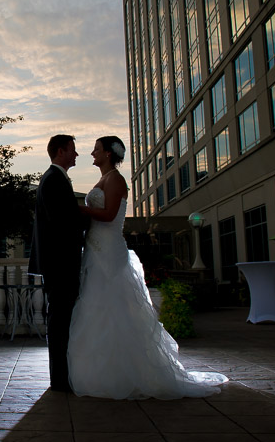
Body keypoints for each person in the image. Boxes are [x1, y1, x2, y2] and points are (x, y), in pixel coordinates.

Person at [67, 136, 228, 399]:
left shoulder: (116, 180)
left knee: (113, 306)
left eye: (96, 149)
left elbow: (108, 215)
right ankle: (104, 370)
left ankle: (126, 372)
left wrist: (80, 211)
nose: (92, 153)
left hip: (109, 250)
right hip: (96, 250)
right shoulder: (103, 180)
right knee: (96, 306)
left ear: (108, 153)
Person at [29, 134, 87, 392]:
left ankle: (62, 376)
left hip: (59, 263)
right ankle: (59, 379)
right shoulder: (53, 180)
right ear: (61, 151)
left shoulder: (54, 179)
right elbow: (62, 223)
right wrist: (91, 226)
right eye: (73, 150)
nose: (76, 155)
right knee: (60, 320)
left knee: (62, 319)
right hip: (60, 264)